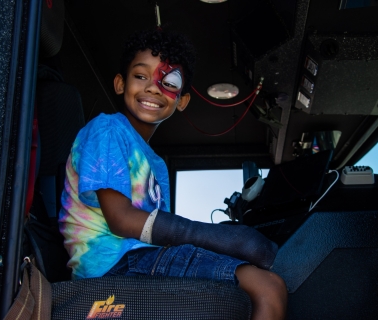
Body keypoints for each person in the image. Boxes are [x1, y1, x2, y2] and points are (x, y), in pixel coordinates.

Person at [59, 29, 287, 320]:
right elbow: (121, 219)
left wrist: (222, 241)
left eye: (169, 83)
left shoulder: (156, 164)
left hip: (140, 259)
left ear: (181, 101)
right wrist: (220, 237)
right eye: (141, 76)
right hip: (113, 266)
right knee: (267, 288)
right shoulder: (107, 129)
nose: (153, 88)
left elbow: (156, 231)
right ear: (119, 83)